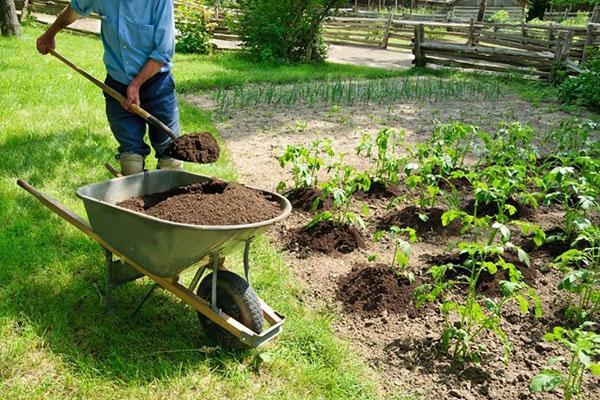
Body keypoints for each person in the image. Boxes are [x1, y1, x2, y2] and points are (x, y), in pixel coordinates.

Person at [36, 0, 183, 175]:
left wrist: (136, 83)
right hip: (117, 85)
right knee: (131, 161)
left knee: (171, 158)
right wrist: (50, 33)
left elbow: (163, 51)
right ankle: (134, 196)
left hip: (157, 86)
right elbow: (74, 9)